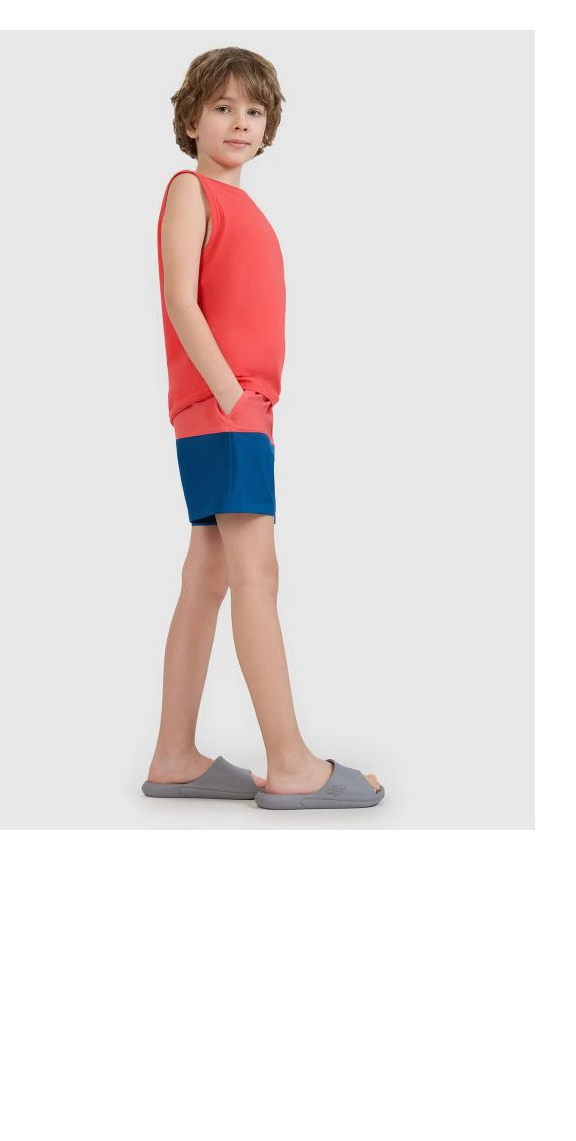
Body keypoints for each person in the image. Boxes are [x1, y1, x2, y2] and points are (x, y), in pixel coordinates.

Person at [141, 47, 384, 810]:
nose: (239, 122)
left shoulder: (245, 207)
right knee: (258, 574)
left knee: (208, 575)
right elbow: (181, 299)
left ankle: (174, 756)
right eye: (222, 107)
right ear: (191, 119)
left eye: (253, 110)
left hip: (234, 412)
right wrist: (229, 393)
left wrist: (242, 402)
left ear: (269, 125)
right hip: (227, 409)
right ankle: (291, 763)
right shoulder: (190, 190)